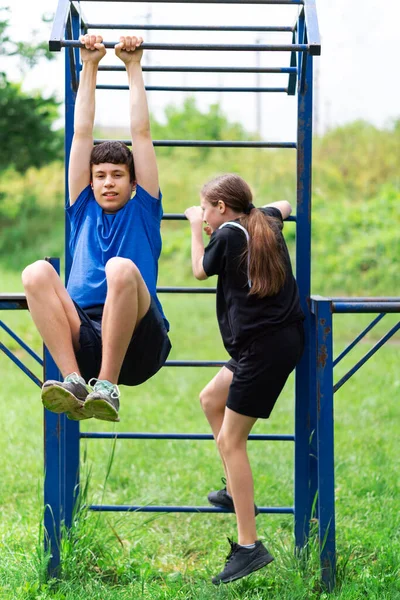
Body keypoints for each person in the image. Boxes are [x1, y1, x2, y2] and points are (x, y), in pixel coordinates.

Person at [21, 34, 171, 422]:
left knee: (119, 267)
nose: (107, 182)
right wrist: (89, 66)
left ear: (133, 182)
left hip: (138, 342)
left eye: (118, 175)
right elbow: (82, 135)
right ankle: (73, 380)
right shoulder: (82, 207)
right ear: (89, 182)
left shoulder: (143, 209)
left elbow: (141, 134)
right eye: (100, 175)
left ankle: (107, 388)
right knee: (36, 271)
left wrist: (132, 66)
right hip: (85, 334)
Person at [184, 173, 305, 584]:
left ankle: (249, 547)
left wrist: (191, 228)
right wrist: (261, 209)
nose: (202, 215)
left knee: (230, 440)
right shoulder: (263, 221)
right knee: (210, 399)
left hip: (263, 348)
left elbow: (200, 270)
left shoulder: (229, 235)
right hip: (267, 342)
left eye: (204, 208)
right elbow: (285, 206)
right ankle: (238, 493)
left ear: (220, 207)